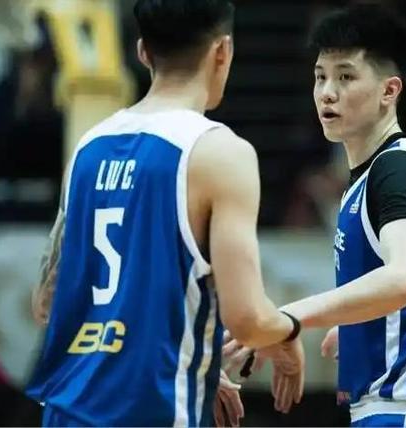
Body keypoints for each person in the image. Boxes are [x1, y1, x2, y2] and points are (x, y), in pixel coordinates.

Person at [26, 1, 304, 426]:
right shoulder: (220, 153)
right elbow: (248, 319)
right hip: (149, 412)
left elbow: (46, 302)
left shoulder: (88, 147)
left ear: (143, 52)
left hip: (66, 412)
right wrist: (288, 332)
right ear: (223, 51)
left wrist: (190, 358)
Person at [227, 4, 406, 427]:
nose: (327, 92)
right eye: (320, 76)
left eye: (345, 77)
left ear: (389, 91)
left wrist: (290, 317)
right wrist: (360, 326)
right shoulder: (366, 179)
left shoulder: (399, 168)